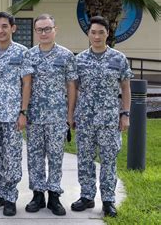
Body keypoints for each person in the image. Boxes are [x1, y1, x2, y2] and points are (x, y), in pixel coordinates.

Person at [71, 16, 133, 218]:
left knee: (108, 161)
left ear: (108, 34)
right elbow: (74, 89)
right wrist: (71, 115)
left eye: (101, 32)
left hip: (109, 120)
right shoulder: (79, 60)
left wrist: (125, 114)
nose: (97, 36)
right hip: (86, 119)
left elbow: (125, 87)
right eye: (93, 32)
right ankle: (87, 196)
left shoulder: (119, 59)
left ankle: (108, 200)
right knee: (85, 159)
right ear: (88, 34)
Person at [25, 13, 77, 216]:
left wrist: (70, 114)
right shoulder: (29, 55)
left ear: (55, 30)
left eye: (48, 29)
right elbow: (26, 84)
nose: (44, 33)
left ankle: (54, 195)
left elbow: (72, 86)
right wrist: (24, 110)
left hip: (57, 116)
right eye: (40, 29)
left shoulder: (65, 56)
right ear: (35, 31)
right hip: (35, 116)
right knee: (35, 157)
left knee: (56, 157)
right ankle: (38, 195)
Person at [0, 12, 33, 216]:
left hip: (12, 114)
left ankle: (11, 196)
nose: (1, 30)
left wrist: (23, 112)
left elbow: (27, 83)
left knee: (12, 157)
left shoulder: (22, 52)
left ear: (13, 28)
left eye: (5, 26)